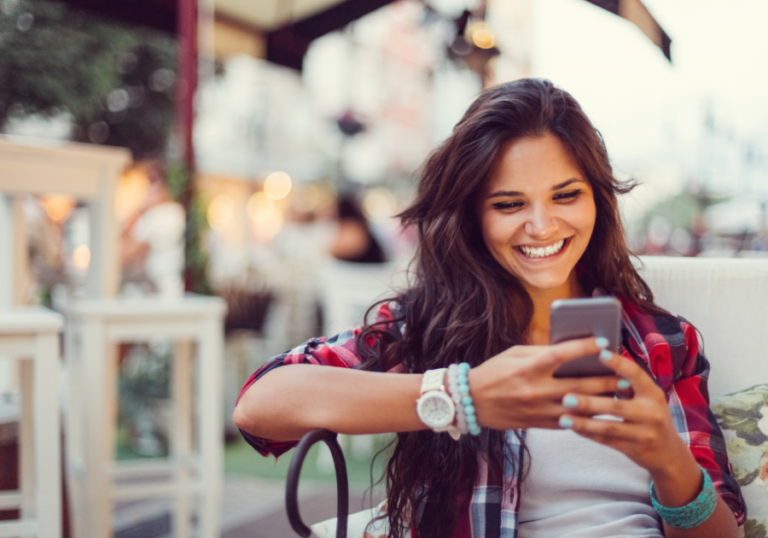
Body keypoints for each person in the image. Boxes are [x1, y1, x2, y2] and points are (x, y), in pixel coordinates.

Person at [233, 79, 745, 538]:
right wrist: (461, 395)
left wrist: (668, 460)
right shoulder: (425, 329)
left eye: (566, 195)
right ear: (472, 217)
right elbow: (259, 407)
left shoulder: (665, 343)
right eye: (509, 204)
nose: (542, 226)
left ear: (598, 201)